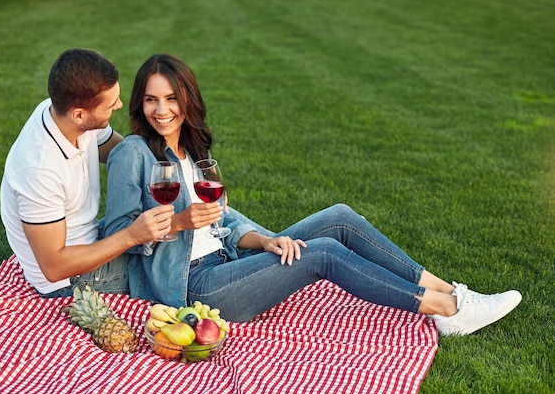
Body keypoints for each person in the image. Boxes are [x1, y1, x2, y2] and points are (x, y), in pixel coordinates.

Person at [103, 53, 522, 336]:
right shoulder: (133, 154)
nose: (162, 109)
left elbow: (222, 224)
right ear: (140, 103)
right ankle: (444, 310)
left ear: (187, 99)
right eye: (152, 99)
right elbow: (120, 233)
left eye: (172, 98)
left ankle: (452, 293)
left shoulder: (196, 150)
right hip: (195, 286)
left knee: (339, 216)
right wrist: (176, 223)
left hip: (229, 259)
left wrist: (266, 240)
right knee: (320, 253)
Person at [0, 48, 174, 298]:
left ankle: (243, 236)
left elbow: (123, 151)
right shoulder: (38, 169)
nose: (120, 105)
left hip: (93, 238)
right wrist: (132, 235)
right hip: (70, 278)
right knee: (173, 260)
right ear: (79, 115)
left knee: (185, 215)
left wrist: (171, 169)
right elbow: (54, 267)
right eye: (111, 104)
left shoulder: (63, 110)